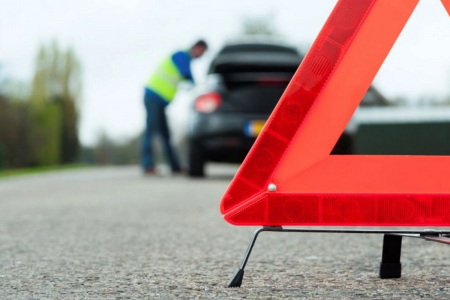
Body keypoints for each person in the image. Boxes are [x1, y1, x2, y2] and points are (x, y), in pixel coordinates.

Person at [142, 40, 208, 175]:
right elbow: (187, 74)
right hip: (153, 96)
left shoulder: (184, 58)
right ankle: (147, 165)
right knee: (151, 130)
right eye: (202, 52)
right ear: (197, 47)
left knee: (165, 134)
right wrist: (199, 87)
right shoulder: (181, 55)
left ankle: (175, 166)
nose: (201, 56)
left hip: (159, 100)